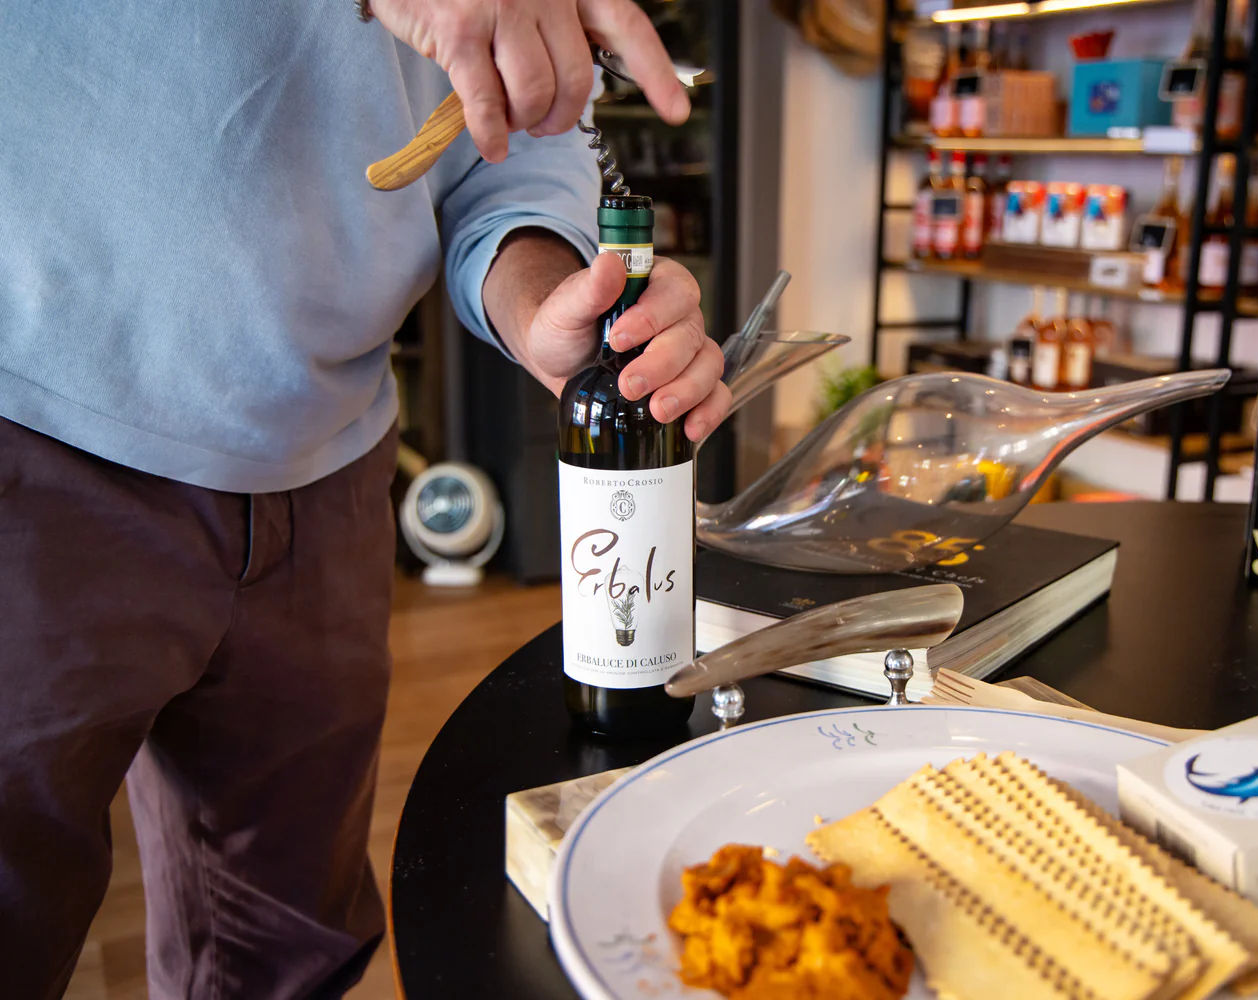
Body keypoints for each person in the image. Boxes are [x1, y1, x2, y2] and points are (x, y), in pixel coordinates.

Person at [0, 2, 727, 996]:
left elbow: (506, 167)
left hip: (329, 463)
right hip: (39, 425)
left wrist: (549, 304)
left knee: (287, 946)